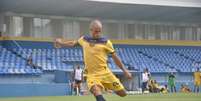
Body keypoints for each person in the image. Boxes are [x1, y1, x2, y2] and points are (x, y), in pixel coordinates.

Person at [54, 19, 132, 101]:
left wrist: (125, 71)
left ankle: (107, 86)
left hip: (105, 73)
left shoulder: (106, 42)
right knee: (95, 90)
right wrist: (61, 43)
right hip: (91, 74)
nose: (98, 33)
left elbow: (115, 57)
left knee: (123, 94)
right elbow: (73, 43)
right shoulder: (84, 39)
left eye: (99, 31)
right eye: (96, 31)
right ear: (91, 30)